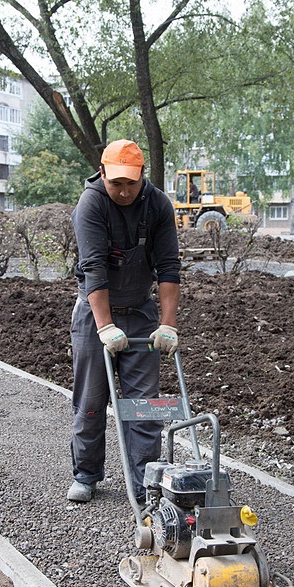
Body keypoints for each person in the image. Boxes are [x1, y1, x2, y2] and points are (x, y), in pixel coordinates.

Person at [67, 139, 181, 503]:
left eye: (131, 183)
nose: (124, 190)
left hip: (140, 313)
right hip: (94, 313)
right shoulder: (92, 203)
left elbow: (168, 267)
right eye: (116, 182)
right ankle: (86, 474)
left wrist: (167, 324)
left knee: (144, 406)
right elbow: (93, 267)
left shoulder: (159, 204)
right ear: (103, 174)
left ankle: (145, 483)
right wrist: (104, 326)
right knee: (91, 399)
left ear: (141, 175)